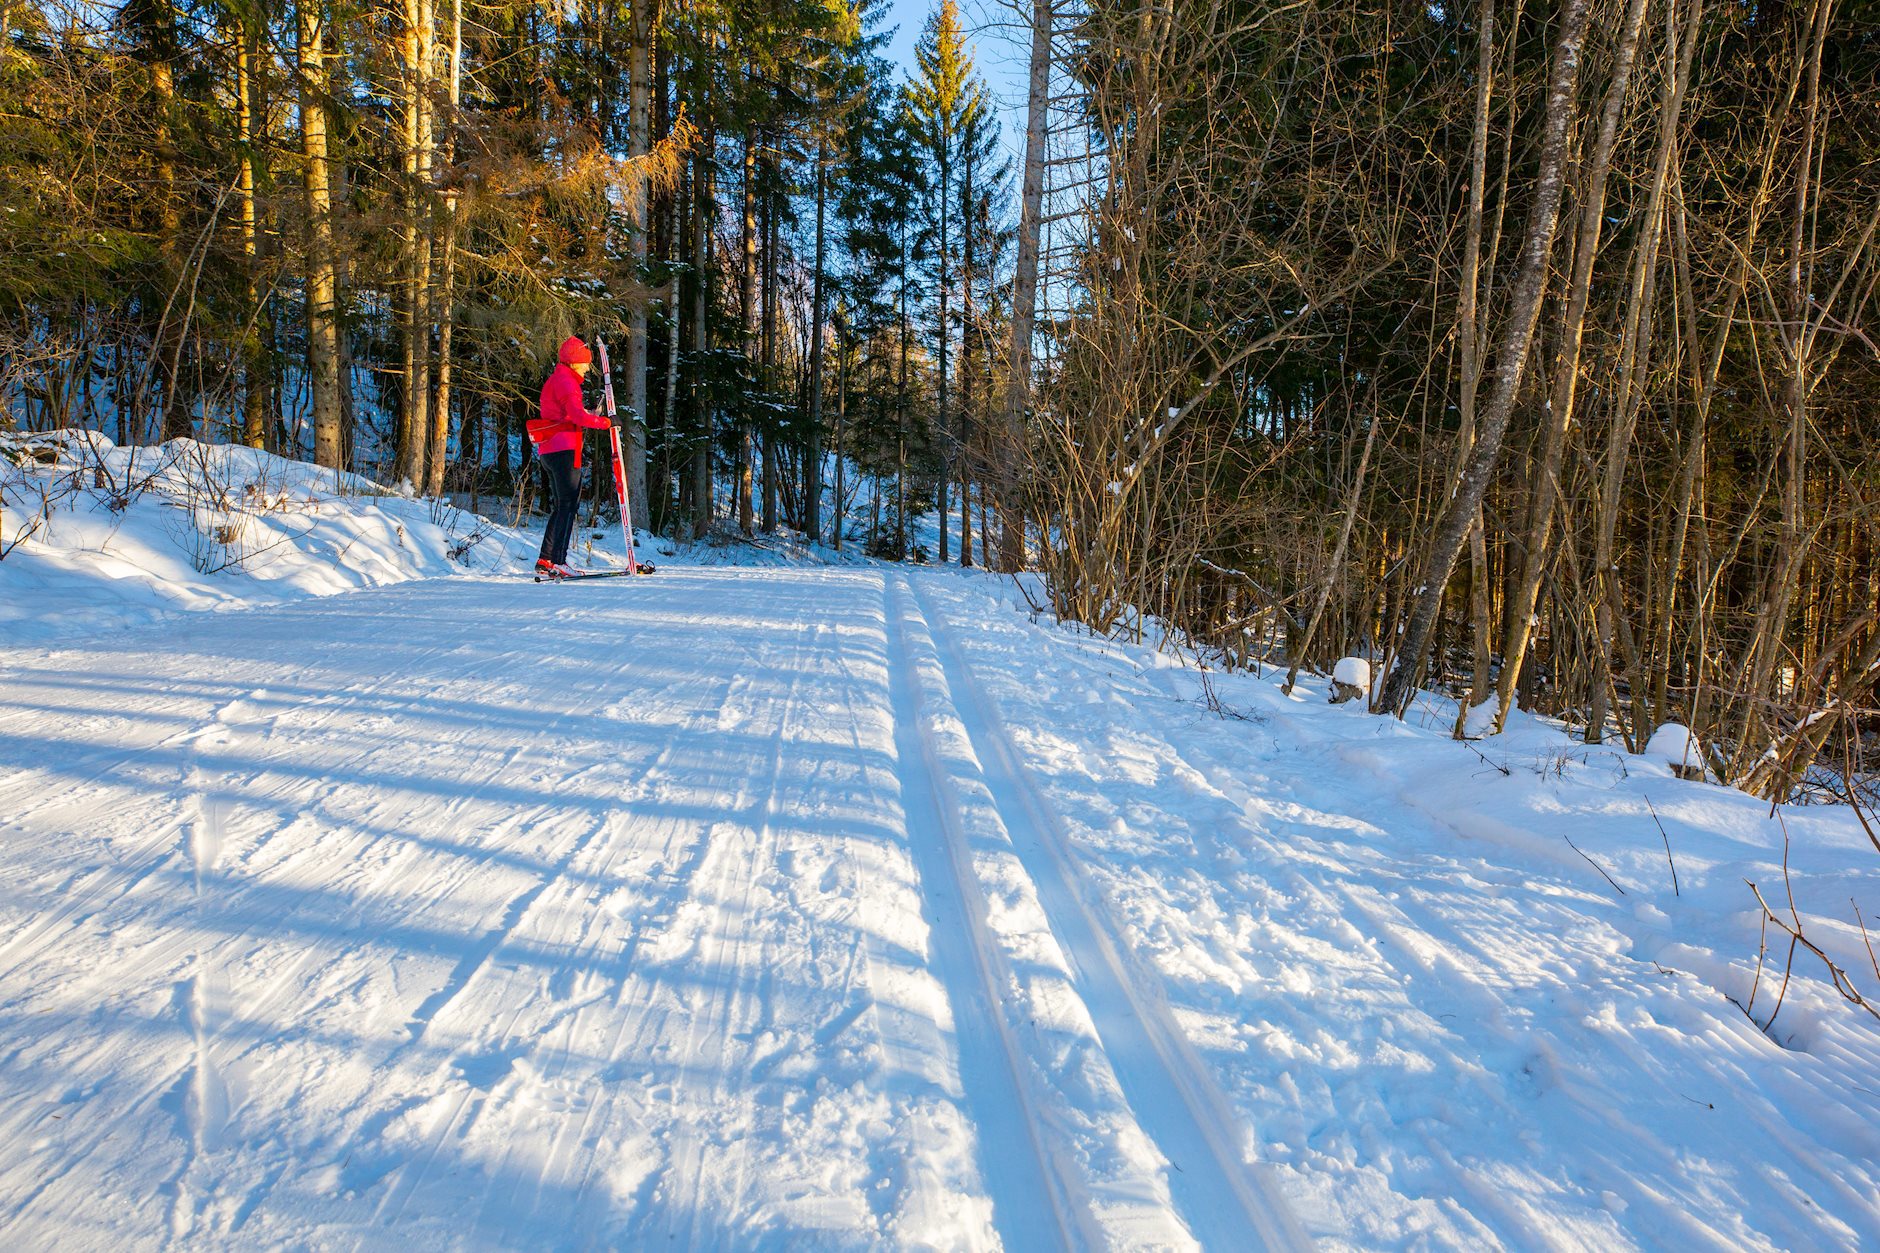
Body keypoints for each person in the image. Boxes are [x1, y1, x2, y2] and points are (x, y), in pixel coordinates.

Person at [527, 336, 613, 578]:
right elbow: (575, 417)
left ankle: (546, 559)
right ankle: (558, 561)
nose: (587, 367)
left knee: (561, 506)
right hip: (564, 450)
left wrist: (589, 414)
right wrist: (604, 422)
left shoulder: (557, 380)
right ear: (575, 362)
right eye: (585, 363)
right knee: (568, 505)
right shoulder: (567, 382)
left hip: (550, 450)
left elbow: (564, 414)